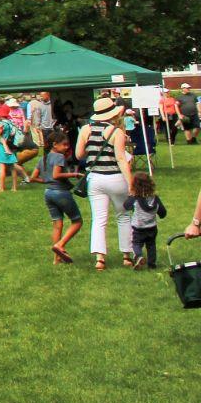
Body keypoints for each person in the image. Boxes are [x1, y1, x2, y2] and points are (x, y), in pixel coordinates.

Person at [76, 96, 135, 272]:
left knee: (99, 219)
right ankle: (126, 255)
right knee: (123, 216)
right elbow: (121, 158)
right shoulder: (116, 132)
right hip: (115, 177)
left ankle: (100, 259)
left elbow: (79, 155)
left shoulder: (85, 129)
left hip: (95, 178)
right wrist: (131, 182)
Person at [41, 136, 82, 263]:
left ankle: (56, 259)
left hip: (48, 192)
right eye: (64, 145)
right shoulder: (59, 157)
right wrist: (74, 174)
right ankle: (60, 244)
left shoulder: (46, 157)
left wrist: (47, 181)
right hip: (61, 192)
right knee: (77, 221)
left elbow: (36, 177)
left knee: (57, 225)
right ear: (55, 144)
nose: (66, 147)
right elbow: (56, 175)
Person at [128, 173, 167, 271]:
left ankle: (138, 256)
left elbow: (125, 206)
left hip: (138, 228)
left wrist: (130, 196)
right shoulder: (155, 198)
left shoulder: (135, 198)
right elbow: (163, 213)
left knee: (136, 244)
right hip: (152, 228)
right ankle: (152, 265)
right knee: (151, 245)